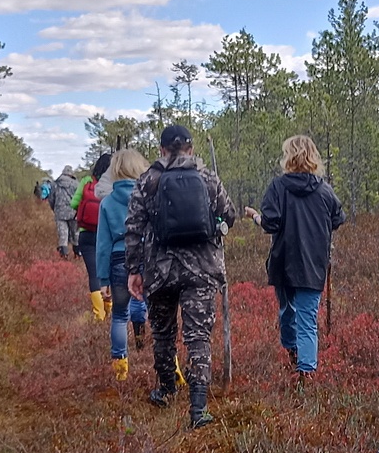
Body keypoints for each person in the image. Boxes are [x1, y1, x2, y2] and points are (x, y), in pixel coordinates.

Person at [125, 124, 237, 429]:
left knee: (163, 333)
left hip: (158, 271)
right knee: (197, 336)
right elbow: (229, 215)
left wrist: (134, 270)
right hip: (201, 270)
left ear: (161, 150)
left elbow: (133, 228)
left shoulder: (147, 180)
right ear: (190, 148)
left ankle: (166, 389)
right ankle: (198, 408)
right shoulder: (207, 177)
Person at [244, 135, 345, 378]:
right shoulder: (324, 190)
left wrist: (256, 217)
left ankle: (294, 356)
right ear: (313, 157)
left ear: (288, 157)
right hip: (313, 264)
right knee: (307, 319)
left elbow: (270, 223)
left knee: (287, 311)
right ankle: (305, 374)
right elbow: (338, 219)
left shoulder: (277, 188)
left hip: (283, 262)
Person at [96, 149, 153, 381]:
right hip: (147, 259)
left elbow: (103, 245)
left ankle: (121, 372)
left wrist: (102, 280)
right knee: (151, 308)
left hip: (118, 261)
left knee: (119, 315)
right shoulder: (149, 197)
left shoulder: (108, 202)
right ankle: (164, 361)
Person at [73, 153, 112, 321]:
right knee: (108, 272)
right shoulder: (113, 184)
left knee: (93, 274)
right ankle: (109, 308)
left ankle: (99, 314)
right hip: (108, 235)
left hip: (86, 234)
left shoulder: (86, 181)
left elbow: (74, 203)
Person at [51, 170, 80, 259]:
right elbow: (80, 198)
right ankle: (77, 253)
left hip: (60, 212)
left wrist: (54, 208)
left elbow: (51, 199)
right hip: (73, 212)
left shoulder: (55, 184)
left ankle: (64, 254)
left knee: (63, 234)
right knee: (75, 233)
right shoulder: (76, 184)